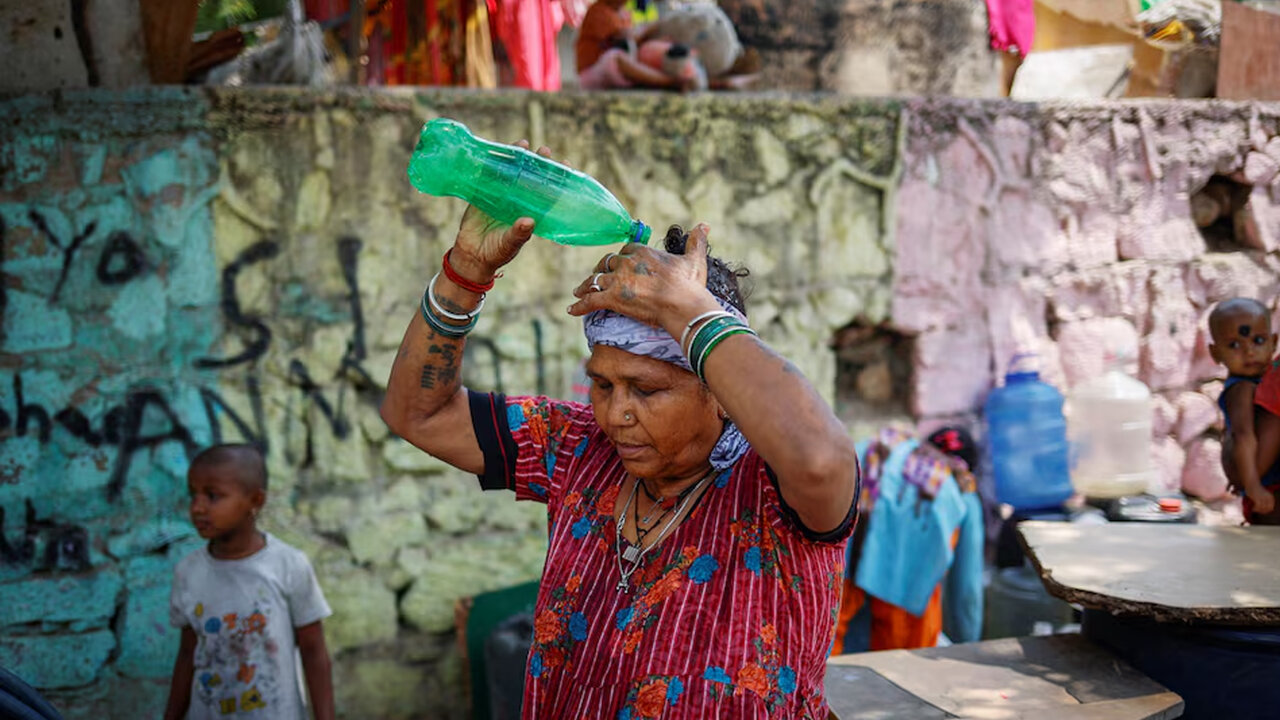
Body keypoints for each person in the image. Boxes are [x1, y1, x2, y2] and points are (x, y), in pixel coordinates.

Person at [381, 142, 860, 718]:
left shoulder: (772, 492)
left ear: (723, 397)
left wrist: (686, 311)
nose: (615, 414)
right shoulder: (577, 448)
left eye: (648, 389)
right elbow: (419, 414)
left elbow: (822, 461)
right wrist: (467, 270)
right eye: (602, 385)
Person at [163, 445, 335, 720]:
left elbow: (314, 652)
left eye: (213, 495)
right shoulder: (188, 572)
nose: (197, 507)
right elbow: (187, 654)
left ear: (255, 501)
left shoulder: (288, 565)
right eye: (193, 495)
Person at [1208, 298, 1280, 524]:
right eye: (1234, 345)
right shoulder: (1242, 389)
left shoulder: (1262, 381)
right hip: (1266, 490)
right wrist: (1252, 486)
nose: (1249, 352)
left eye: (1258, 341)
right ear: (1215, 353)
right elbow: (1243, 436)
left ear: (1274, 342)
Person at [575, 0, 700, 91]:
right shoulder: (599, 11)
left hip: (622, 72)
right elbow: (630, 38)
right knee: (614, 59)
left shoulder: (624, 14)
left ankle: (691, 79)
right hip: (593, 74)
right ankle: (669, 81)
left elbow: (636, 44)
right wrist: (656, 26)